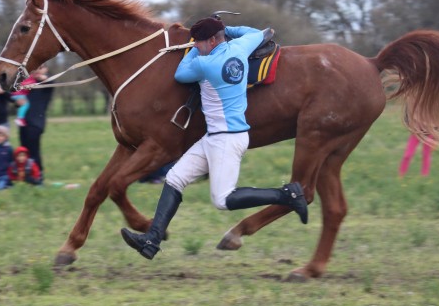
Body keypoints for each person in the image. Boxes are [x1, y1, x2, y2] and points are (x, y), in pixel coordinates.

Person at [120, 18, 308, 260]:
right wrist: (226, 28)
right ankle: (152, 240)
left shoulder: (206, 65)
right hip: (217, 137)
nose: (196, 46)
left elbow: (180, 74)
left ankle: (287, 195)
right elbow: (258, 32)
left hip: (226, 140)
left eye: (199, 42)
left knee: (223, 199)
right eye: (195, 43)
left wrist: (189, 48)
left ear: (211, 40)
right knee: (175, 178)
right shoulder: (240, 47)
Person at [18, 65, 53, 175]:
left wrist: (41, 78)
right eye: (35, 68)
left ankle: (38, 174)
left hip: (36, 123)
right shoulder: (26, 83)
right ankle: (26, 174)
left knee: (34, 150)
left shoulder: (47, 84)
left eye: (41, 67)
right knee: (24, 150)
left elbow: (49, 82)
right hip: (24, 122)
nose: (37, 70)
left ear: (45, 69)